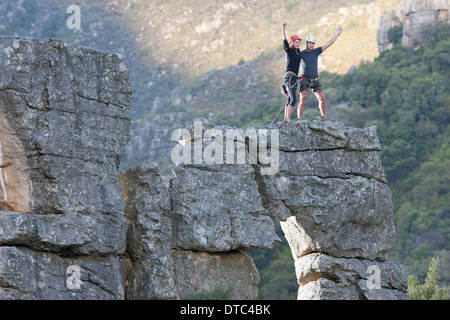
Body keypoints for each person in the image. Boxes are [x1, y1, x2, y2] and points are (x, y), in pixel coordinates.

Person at [297, 26, 343, 120]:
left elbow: (328, 44)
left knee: (322, 99)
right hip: (305, 80)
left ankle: (323, 117)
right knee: (302, 101)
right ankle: (299, 120)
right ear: (306, 43)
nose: (311, 45)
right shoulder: (301, 54)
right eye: (309, 43)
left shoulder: (316, 51)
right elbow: (292, 58)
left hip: (315, 79)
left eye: (313, 43)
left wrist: (337, 35)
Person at [281, 22, 302, 121]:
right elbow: (284, 40)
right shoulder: (289, 51)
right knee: (293, 99)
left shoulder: (298, 53)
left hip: (294, 78)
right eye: (295, 42)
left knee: (290, 98)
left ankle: (286, 118)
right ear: (292, 43)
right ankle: (288, 118)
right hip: (289, 77)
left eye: (298, 42)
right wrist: (283, 29)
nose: (297, 43)